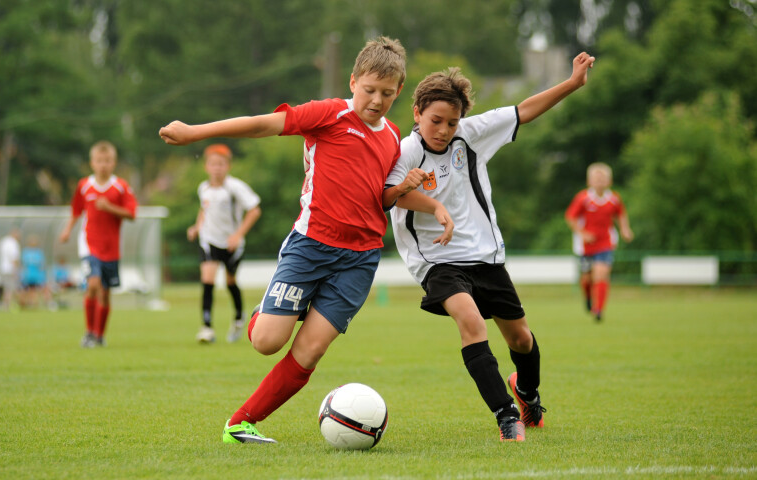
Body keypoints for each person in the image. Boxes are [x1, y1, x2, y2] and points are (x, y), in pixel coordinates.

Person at [160, 36, 450, 444]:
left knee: (311, 350)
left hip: (360, 260)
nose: (376, 101)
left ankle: (241, 423)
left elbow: (381, 199)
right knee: (266, 342)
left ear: (399, 91)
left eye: (387, 94)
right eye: (369, 90)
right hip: (311, 246)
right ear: (353, 82)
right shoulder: (328, 114)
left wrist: (413, 195)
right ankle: (273, 307)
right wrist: (195, 133)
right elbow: (263, 124)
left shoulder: (393, 137)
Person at [383, 53, 596, 442]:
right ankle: (506, 414)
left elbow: (523, 110)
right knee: (472, 322)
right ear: (416, 113)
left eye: (451, 122)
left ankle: (527, 394)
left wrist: (572, 83)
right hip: (437, 260)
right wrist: (421, 198)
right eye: (435, 121)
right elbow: (388, 198)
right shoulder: (406, 151)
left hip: (486, 255)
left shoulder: (471, 133)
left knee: (521, 339)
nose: (444, 130)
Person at [59, 141, 137, 347]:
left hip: (111, 248)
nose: (103, 164)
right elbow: (76, 210)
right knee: (93, 285)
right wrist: (67, 230)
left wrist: (110, 207)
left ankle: (99, 335)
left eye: (108, 161)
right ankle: (88, 333)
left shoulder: (120, 186)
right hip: (89, 244)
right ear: (92, 163)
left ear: (114, 163)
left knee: (105, 292)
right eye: (99, 161)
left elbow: (131, 214)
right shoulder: (84, 185)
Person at [187, 143, 261, 344]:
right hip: (210, 240)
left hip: (231, 244)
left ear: (227, 166)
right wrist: (196, 227)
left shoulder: (235, 188)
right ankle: (206, 327)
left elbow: (254, 210)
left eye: (221, 164)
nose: (217, 168)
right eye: (213, 164)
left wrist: (238, 235)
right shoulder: (203, 188)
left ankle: (238, 318)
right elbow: (204, 210)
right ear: (206, 167)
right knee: (208, 281)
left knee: (230, 282)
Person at [565, 162, 633, 322]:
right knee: (587, 278)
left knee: (601, 275)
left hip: (606, 243)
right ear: (589, 181)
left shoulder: (614, 199)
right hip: (585, 246)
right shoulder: (583, 198)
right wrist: (583, 233)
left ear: (609, 181)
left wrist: (625, 230)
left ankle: (599, 310)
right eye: (596, 178)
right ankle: (588, 297)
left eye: (603, 178)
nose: (600, 181)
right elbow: (570, 217)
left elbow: (621, 215)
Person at [0, 227, 21, 310]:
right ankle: (7, 305)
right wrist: (15, 270)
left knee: (6, 288)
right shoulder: (14, 243)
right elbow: (14, 258)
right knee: (9, 288)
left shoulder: (3, 241)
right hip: (10, 269)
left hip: (2, 268)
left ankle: (5, 304)